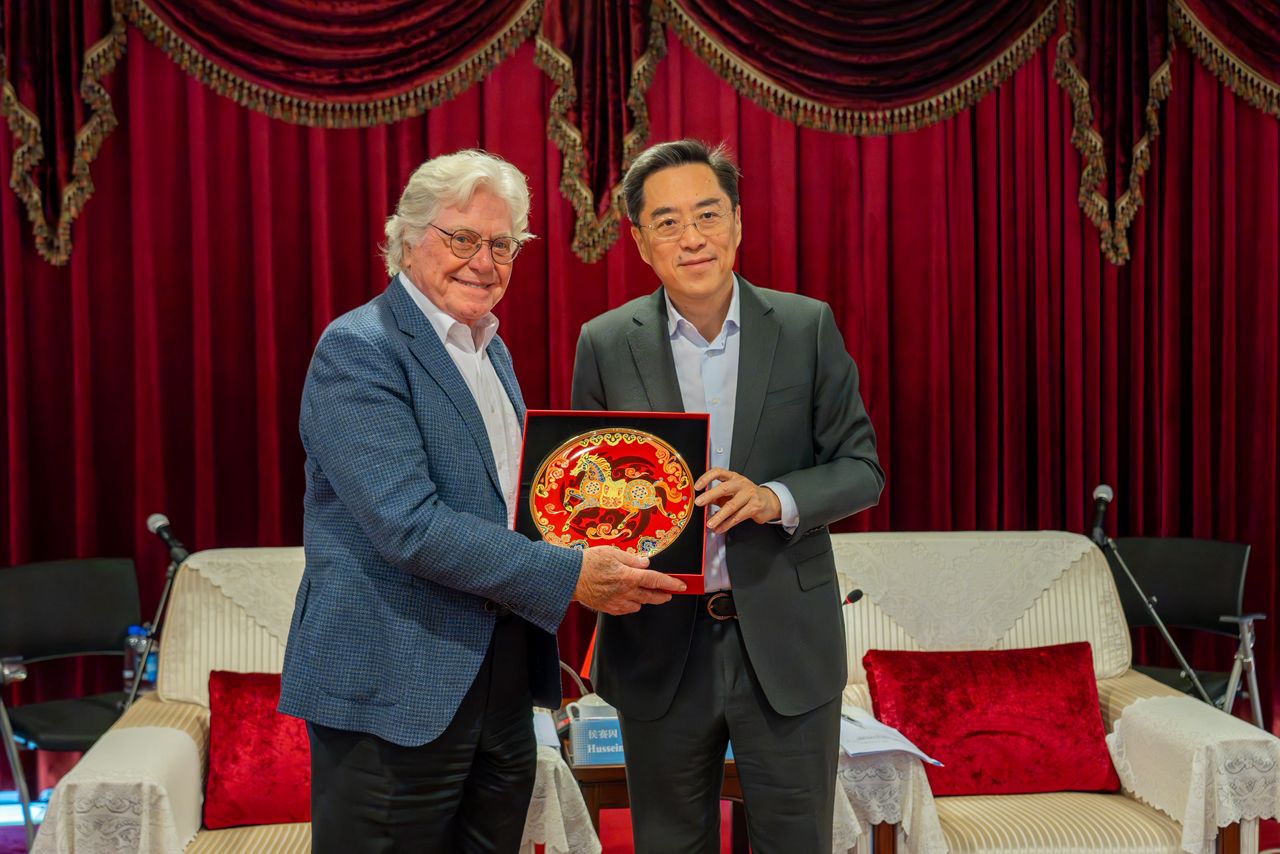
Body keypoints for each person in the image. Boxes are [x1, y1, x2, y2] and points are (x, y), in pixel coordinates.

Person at [279, 149, 685, 854]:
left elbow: (511, 507)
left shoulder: (489, 348)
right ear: (408, 238)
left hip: (500, 681)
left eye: (502, 244)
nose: (483, 261)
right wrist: (571, 573)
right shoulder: (359, 348)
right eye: (462, 237)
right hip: (395, 688)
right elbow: (409, 526)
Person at [571, 139, 885, 853]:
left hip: (785, 639)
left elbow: (862, 468)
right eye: (668, 222)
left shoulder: (805, 327)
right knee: (668, 843)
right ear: (640, 241)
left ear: (738, 222)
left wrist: (776, 497)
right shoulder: (606, 342)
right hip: (659, 644)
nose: (692, 237)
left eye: (707, 214)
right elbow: (585, 489)